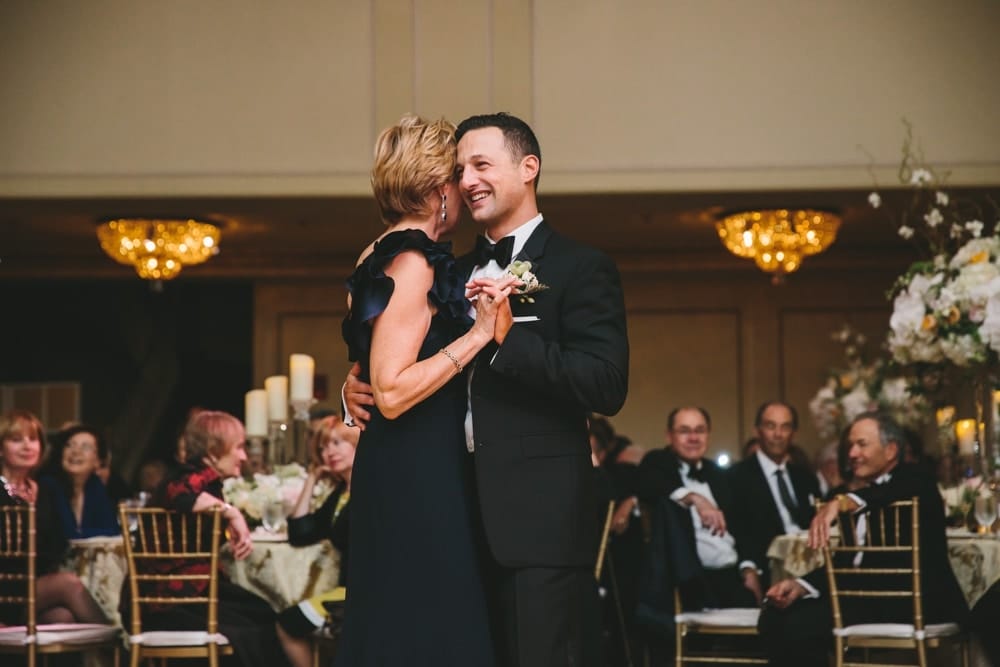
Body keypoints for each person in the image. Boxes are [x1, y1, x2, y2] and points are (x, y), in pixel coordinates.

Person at [347, 112, 630, 667]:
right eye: (459, 168)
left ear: (529, 168)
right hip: (451, 509)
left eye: (481, 164)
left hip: (536, 520)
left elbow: (606, 384)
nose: (468, 179)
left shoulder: (581, 267)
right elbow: (399, 357)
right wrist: (355, 387)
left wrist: (503, 342)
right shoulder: (442, 266)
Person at [335, 114, 515, 667]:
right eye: (457, 176)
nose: (464, 188)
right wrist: (479, 335)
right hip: (417, 471)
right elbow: (389, 390)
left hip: (398, 463)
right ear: (439, 190)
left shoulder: (377, 252)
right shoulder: (412, 260)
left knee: (399, 622)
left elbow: (371, 368)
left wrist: (351, 387)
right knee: (430, 626)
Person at [757, 412, 968, 667]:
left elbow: (891, 491)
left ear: (891, 450)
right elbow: (848, 562)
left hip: (911, 602)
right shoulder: (856, 496)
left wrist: (844, 501)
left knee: (802, 624)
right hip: (866, 599)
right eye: (850, 446)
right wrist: (802, 585)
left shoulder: (916, 480)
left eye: (862, 444)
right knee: (774, 615)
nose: (852, 454)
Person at [118, 410, 292, 667]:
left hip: (189, 597)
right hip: (164, 605)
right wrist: (232, 514)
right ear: (213, 450)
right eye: (239, 447)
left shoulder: (204, 482)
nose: (244, 456)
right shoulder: (186, 477)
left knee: (263, 614)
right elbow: (177, 493)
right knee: (250, 633)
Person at [0, 409, 108, 625]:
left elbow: (59, 543)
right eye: (16, 440)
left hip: (36, 586)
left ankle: (103, 653)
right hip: (6, 587)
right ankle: (118, 648)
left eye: (33, 439)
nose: (27, 446)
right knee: (70, 584)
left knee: (63, 617)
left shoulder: (45, 491)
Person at [275, 415, 357, 667]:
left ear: (356, 443)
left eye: (336, 443)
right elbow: (300, 533)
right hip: (346, 590)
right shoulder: (340, 495)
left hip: (361, 594)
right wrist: (312, 478)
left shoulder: (369, 490)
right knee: (286, 623)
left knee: (288, 624)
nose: (328, 452)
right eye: (322, 448)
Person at [727, 401, 820, 601]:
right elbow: (735, 529)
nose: (778, 434)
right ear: (757, 430)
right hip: (765, 571)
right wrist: (748, 567)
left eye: (785, 427)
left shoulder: (805, 478)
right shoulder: (737, 477)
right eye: (771, 426)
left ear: (793, 433)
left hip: (810, 569)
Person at [38, 423, 119, 539]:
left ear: (98, 461)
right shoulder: (48, 486)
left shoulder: (95, 485)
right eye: (69, 445)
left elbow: (112, 532)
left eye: (85, 447)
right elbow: (60, 536)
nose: (75, 451)